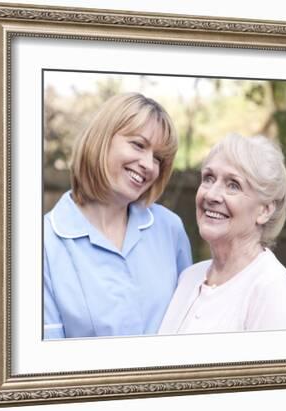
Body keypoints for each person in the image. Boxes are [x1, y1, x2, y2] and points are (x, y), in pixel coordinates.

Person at [44, 93, 192, 339]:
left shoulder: (170, 229)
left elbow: (189, 326)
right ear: (102, 139)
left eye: (158, 158)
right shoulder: (44, 244)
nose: (148, 164)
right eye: (138, 145)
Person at [159, 134, 286, 334]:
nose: (211, 195)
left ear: (264, 210)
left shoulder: (272, 289)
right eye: (209, 178)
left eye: (233, 185)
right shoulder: (189, 278)